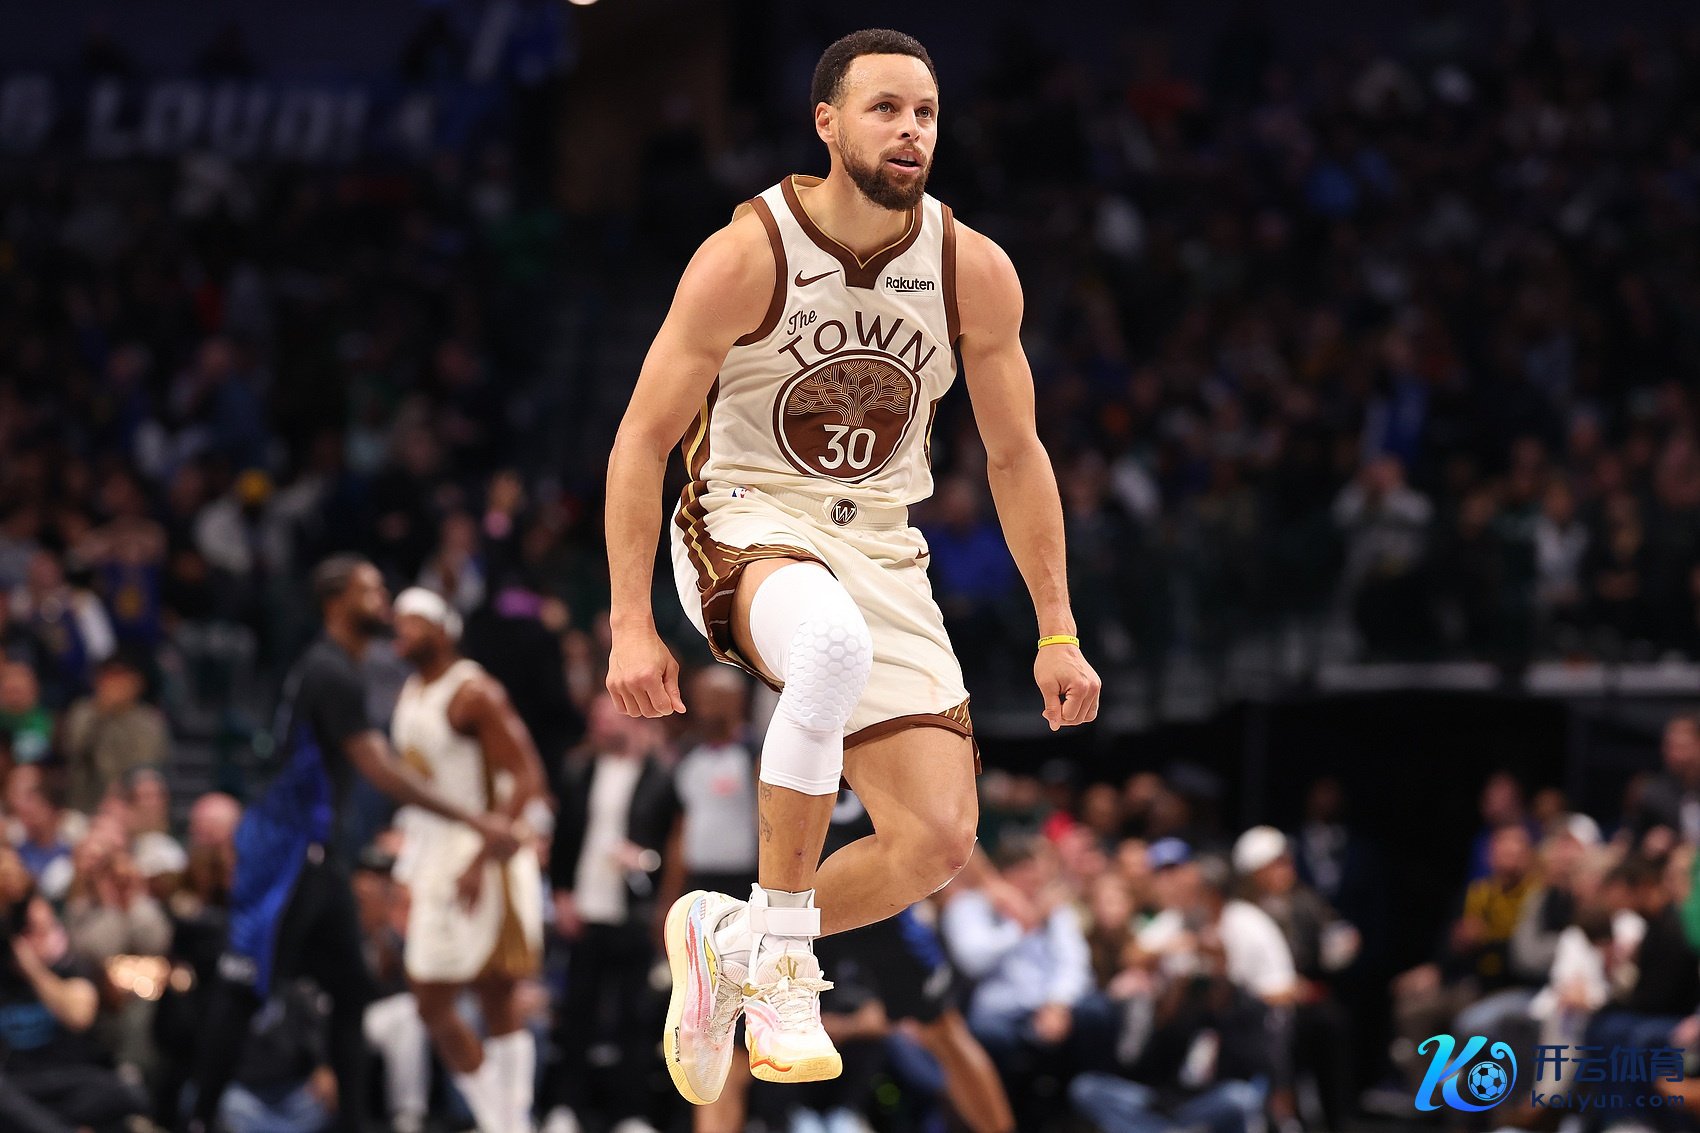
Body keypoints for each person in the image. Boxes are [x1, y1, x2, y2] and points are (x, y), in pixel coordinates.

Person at [603, 26, 1101, 1105]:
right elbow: (641, 438)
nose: (910, 130)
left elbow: (1016, 455)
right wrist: (628, 622)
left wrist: (1056, 628)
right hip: (741, 517)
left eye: (924, 112)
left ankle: (728, 938)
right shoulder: (746, 253)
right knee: (826, 643)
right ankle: (783, 970)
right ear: (826, 123)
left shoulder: (971, 268)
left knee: (936, 839)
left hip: (879, 539)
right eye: (884, 109)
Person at [189, 556, 523, 1133]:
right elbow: (378, 767)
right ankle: (196, 1118)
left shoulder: (342, 668)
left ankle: (354, 1122)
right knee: (244, 988)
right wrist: (474, 819)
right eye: (370, 590)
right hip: (282, 852)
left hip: (319, 857)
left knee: (352, 990)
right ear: (335, 601)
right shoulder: (328, 670)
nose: (383, 599)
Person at [389, 586, 550, 1133]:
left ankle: (505, 1122)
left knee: (473, 995)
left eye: (413, 622)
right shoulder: (413, 689)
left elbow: (527, 775)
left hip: (475, 855)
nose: (401, 632)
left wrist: (481, 858)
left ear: (442, 630)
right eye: (398, 623)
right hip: (433, 851)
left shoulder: (473, 692)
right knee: (452, 998)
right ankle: (505, 1122)